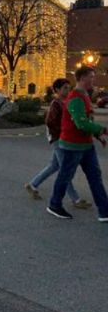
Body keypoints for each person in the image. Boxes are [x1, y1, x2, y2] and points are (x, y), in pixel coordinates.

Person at [47, 66, 108, 221]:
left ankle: (104, 211)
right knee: (65, 176)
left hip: (86, 145)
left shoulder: (84, 95)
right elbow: (81, 123)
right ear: (82, 78)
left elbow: (87, 120)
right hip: (72, 145)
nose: (93, 80)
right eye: (91, 77)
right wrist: (103, 130)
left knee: (95, 177)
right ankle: (54, 205)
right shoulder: (75, 98)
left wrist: (96, 134)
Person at [25, 78, 89, 208]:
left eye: (68, 87)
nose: (67, 90)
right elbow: (50, 122)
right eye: (64, 88)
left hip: (64, 138)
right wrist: (60, 135)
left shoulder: (66, 102)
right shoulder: (56, 104)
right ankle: (75, 199)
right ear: (57, 90)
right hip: (59, 140)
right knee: (65, 169)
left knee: (54, 166)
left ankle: (33, 185)